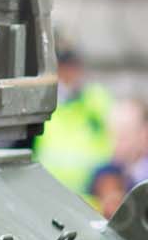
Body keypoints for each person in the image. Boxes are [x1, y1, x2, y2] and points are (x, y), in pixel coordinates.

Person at [34, 41, 115, 194]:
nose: (69, 75)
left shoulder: (96, 98)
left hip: (91, 197)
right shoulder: (45, 101)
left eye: (72, 68)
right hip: (50, 193)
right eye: (64, 69)